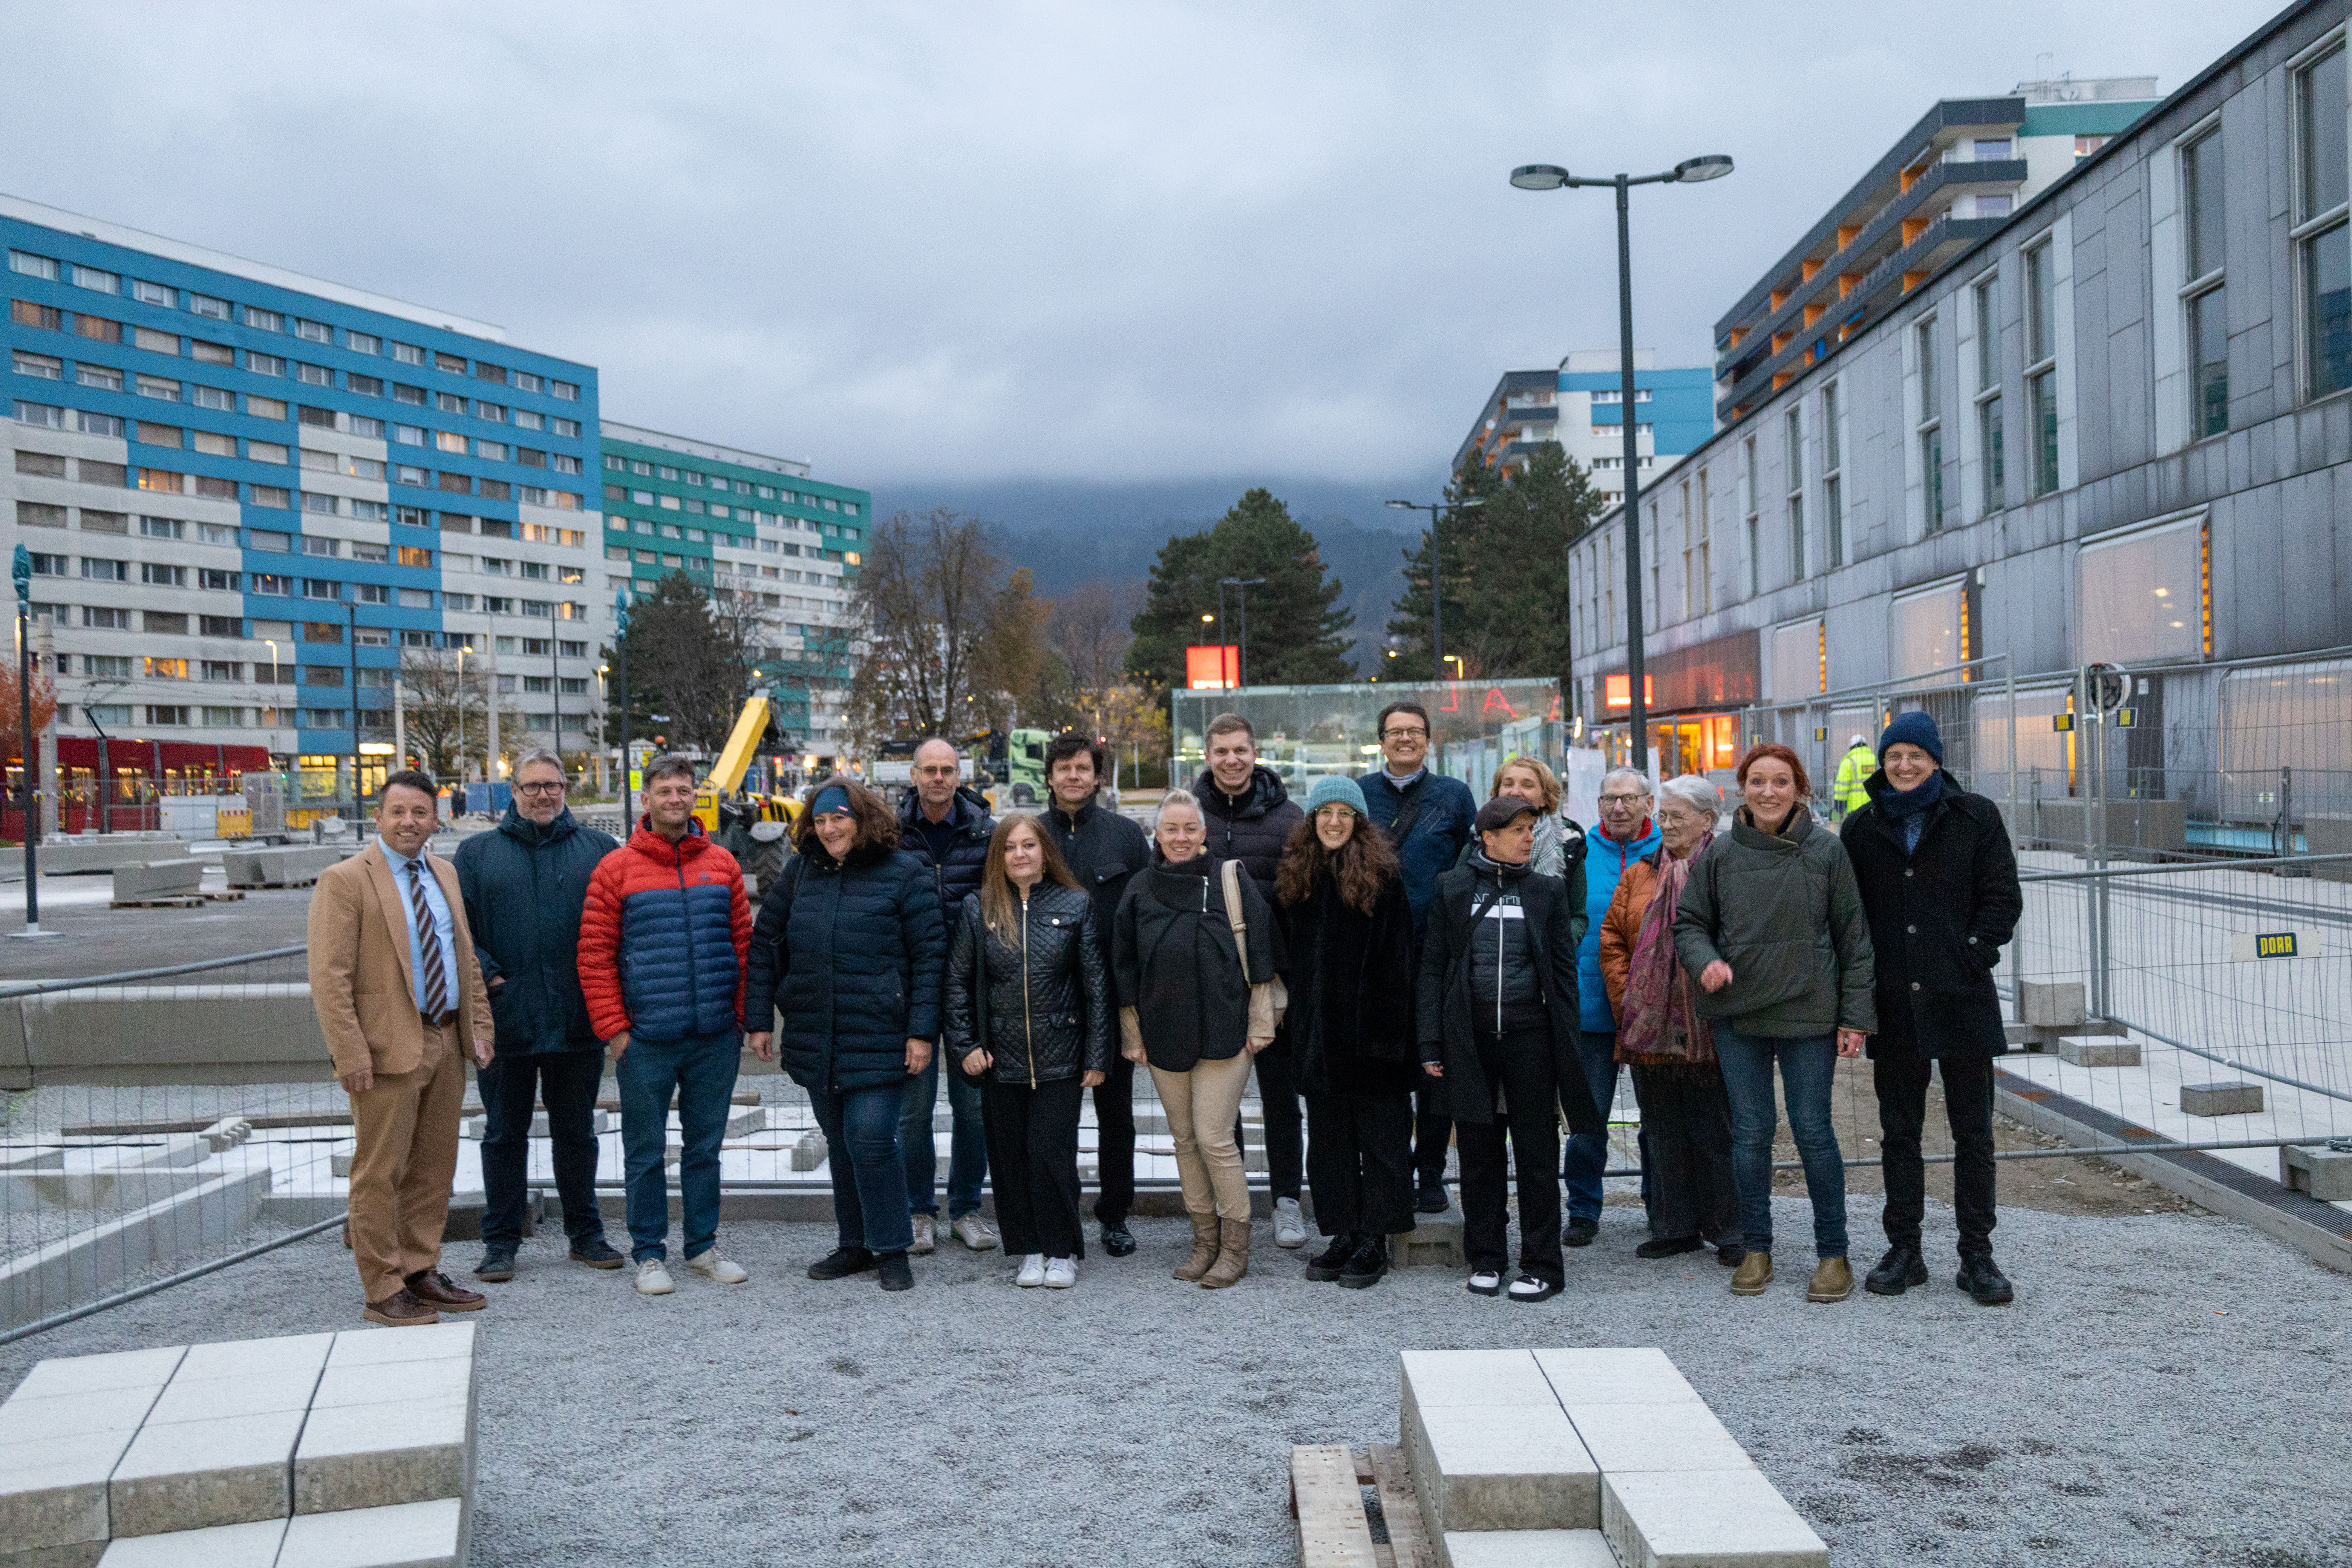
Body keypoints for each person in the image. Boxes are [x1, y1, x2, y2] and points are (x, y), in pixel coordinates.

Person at [1674, 743, 1876, 1305]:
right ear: (1741, 789)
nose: (1768, 792)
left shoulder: (1826, 851)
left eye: (1781, 782)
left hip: (1810, 1011)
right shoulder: (1720, 855)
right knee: (1752, 1132)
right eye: (1757, 781)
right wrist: (1704, 960)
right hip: (1739, 1013)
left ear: (1800, 790)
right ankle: (1756, 1248)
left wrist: (1856, 1017)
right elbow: (1689, 922)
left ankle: (1833, 1254)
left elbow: (1854, 940)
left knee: (1813, 1132)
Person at [1840, 712, 2023, 1306]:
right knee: (1900, 1133)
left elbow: (2002, 895)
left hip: (1962, 996)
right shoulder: (1863, 828)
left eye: (1916, 756)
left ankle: (1977, 1253)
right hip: (1894, 1004)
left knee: (1974, 1132)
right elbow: (1853, 914)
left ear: (1936, 760)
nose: (1904, 765)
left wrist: (1973, 954)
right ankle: (1906, 1249)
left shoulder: (1975, 817)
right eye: (1894, 756)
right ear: (1883, 763)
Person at [744, 778, 944, 1293]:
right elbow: (766, 940)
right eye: (821, 820)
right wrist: (760, 1019)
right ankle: (855, 1244)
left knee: (873, 1139)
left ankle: (893, 1247)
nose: (829, 828)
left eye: (839, 818)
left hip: (881, 1033)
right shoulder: (801, 872)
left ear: (862, 818)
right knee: (840, 1143)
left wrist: (922, 1032)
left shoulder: (904, 873)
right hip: (818, 1034)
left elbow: (929, 957)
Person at [310, 770, 495, 1326]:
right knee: (379, 1172)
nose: (409, 822)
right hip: (385, 1047)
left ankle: (421, 1270)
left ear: (436, 819)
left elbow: (466, 961)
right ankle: (383, 1288)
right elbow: (330, 978)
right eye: (398, 812)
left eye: (420, 813)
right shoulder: (345, 881)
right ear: (379, 818)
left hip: (444, 1039)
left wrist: (479, 1028)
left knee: (434, 1168)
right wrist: (351, 1054)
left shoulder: (444, 873)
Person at [579, 754, 755, 1298]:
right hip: (648, 1038)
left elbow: (744, 946)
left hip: (713, 1036)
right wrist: (615, 1029)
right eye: (665, 791)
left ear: (695, 797)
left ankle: (702, 1247)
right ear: (647, 799)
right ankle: (649, 1254)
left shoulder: (722, 864)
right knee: (645, 1150)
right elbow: (595, 954)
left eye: (684, 790)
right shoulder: (617, 868)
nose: (675, 799)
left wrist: (744, 1018)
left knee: (705, 1149)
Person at [1418, 794, 1605, 1303]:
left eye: (1531, 828)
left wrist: (1567, 1047)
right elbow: (1433, 967)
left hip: (1532, 1042)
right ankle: (1487, 1257)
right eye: (1519, 829)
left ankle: (1543, 1265)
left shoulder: (1547, 891)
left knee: (1538, 1155)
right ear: (1489, 838)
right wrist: (1431, 1040)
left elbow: (1563, 976)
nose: (1529, 837)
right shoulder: (1453, 888)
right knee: (1478, 1154)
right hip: (1470, 1042)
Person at [455, 748, 621, 1283]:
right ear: (514, 792)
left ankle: (586, 1234)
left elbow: (621, 927)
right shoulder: (478, 856)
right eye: (532, 787)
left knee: (577, 1134)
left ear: (566, 788)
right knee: (505, 1134)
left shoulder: (598, 851)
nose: (543, 795)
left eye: (552, 785)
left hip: (577, 1021)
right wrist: (492, 975)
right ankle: (501, 1241)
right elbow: (459, 931)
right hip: (507, 1024)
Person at [1112, 789, 1282, 1289]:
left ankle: (1235, 1248)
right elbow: (1124, 966)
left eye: (1190, 829)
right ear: (1157, 835)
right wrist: (1131, 1032)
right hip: (1163, 1033)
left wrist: (1261, 1022)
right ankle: (1203, 1242)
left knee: (1213, 1138)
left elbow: (1261, 953)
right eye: (1172, 829)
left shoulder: (1230, 879)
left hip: (1226, 1032)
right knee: (1184, 1140)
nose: (1181, 837)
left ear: (1203, 834)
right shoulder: (1140, 890)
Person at [945, 816, 1112, 1289]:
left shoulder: (1075, 904)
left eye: (1029, 845)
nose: (1020, 854)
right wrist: (966, 1046)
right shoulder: (979, 908)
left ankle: (1062, 1249)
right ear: (999, 856)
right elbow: (956, 983)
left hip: (1061, 1055)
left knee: (1051, 1154)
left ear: (1045, 853)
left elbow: (1096, 987)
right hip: (1000, 1060)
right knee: (1011, 1157)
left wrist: (1097, 1056)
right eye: (1010, 847)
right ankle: (1029, 1248)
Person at [1274, 775, 1419, 1288]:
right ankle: (1342, 1231)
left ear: (1358, 821)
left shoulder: (1383, 878)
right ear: (1311, 820)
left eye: (1343, 813)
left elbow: (1399, 964)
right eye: (1324, 812)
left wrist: (1387, 1039)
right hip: (1318, 1040)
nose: (1333, 821)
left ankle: (1375, 1238)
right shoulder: (1298, 878)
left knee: (1381, 1144)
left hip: (1373, 1040)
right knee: (1330, 1145)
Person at [1599, 774, 1741, 1266]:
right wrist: (1630, 999)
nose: (1666, 825)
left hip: (1712, 1025)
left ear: (1708, 820)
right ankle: (1674, 1226)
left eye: (1676, 817)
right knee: (1662, 1131)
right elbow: (1614, 939)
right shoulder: (1641, 873)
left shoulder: (1727, 869)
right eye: (1663, 816)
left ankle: (1729, 1229)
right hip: (1650, 1028)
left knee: (1716, 1131)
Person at [1190, 713, 1308, 1250]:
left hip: (1273, 983)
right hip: (1214, 986)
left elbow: (1305, 901)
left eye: (1241, 751)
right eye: (1222, 752)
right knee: (1222, 1104)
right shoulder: (1191, 820)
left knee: (1281, 1099)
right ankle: (1228, 1203)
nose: (1232, 761)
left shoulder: (1289, 820)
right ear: (1208, 756)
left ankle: (1286, 1200)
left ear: (1255, 752)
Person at [1357, 700, 1479, 1214]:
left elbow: (1471, 862)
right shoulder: (1359, 794)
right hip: (1375, 952)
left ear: (1429, 740)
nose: (1405, 739)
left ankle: (1430, 1171)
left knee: (1436, 1064)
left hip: (1437, 952)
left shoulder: (1454, 796)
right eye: (1395, 732)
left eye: (1415, 732)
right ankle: (1386, 1169)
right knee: (1382, 1066)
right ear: (1381, 741)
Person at [1038, 731, 1153, 1257]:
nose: (1073, 776)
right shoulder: (1028, 835)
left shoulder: (1127, 837)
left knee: (1116, 1118)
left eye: (1082, 768)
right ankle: (1059, 1214)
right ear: (1050, 776)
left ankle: (1115, 1215)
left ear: (1098, 776)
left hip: (1110, 999)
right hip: (1046, 1003)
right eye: (1063, 768)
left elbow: (1145, 919)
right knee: (1053, 1121)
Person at [894, 738, 998, 1257]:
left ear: (960, 776)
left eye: (948, 770)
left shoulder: (986, 833)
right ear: (913, 776)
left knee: (973, 1107)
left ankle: (967, 1209)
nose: (938, 778)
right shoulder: (891, 836)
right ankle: (918, 1211)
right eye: (929, 770)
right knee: (912, 1112)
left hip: (970, 989)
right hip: (910, 988)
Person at [1562, 767, 1662, 1249]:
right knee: (1588, 1120)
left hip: (1654, 1013)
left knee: (1659, 1120)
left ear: (1649, 802)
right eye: (1608, 800)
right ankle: (1582, 1209)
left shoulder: (1671, 853)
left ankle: (1661, 1204)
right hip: (1592, 1009)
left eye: (1628, 798)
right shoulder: (1579, 855)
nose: (1618, 808)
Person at [1453, 756, 1586, 880]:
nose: (1516, 792)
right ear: (1498, 794)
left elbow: (1575, 905)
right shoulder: (1479, 839)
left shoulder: (1568, 844)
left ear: (1545, 799)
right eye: (1508, 784)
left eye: (1528, 785)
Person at [1833, 734, 1876, 821]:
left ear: (1851, 747)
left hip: (1855, 809)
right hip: (1874, 807)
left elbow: (1842, 788)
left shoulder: (1848, 762)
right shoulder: (1875, 760)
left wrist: (1840, 808)